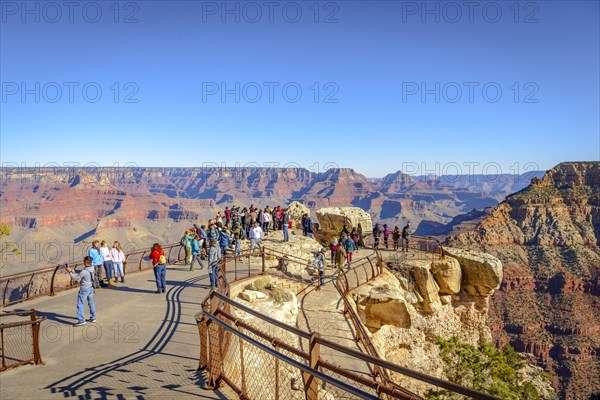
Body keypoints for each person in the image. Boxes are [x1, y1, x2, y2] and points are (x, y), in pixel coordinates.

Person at [66, 256, 97, 327]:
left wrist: (69, 272)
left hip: (84, 289)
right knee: (91, 303)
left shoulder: (84, 271)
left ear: (86, 262)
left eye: (84, 261)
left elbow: (75, 278)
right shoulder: (92, 268)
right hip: (91, 288)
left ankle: (81, 320)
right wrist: (73, 270)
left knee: (80, 304)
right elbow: (83, 272)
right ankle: (93, 317)